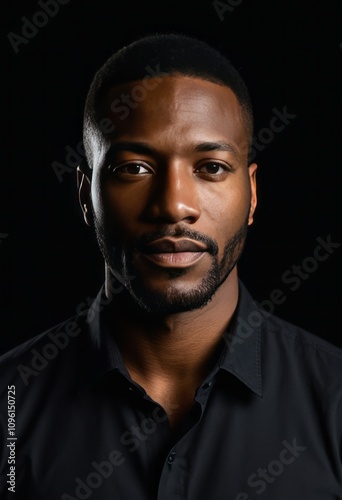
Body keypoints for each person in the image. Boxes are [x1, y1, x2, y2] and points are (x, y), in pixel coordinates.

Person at [0, 33, 341, 500]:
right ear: (85, 196)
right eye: (134, 168)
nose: (174, 205)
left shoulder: (334, 399)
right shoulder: (9, 405)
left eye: (212, 168)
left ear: (253, 194)